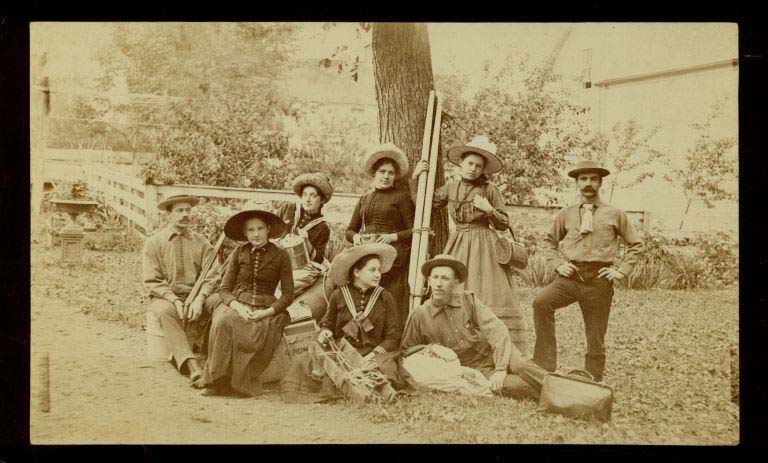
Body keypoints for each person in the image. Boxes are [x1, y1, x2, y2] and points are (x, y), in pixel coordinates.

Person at [412, 135, 527, 355]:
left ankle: (495, 349)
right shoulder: (451, 188)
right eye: (470, 163)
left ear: (483, 170)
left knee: (487, 294)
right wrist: (416, 178)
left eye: (478, 166)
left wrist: (488, 209)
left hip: (486, 247)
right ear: (461, 164)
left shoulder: (490, 190)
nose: (473, 169)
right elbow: (422, 204)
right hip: (459, 244)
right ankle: (456, 346)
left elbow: (503, 224)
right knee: (452, 289)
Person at [532, 160, 644, 382]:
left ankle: (593, 378)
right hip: (570, 275)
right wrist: (558, 264)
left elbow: (636, 244)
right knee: (541, 303)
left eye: (593, 179)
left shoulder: (615, 214)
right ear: (576, 184)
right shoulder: (566, 214)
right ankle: (544, 365)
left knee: (595, 333)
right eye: (583, 179)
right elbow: (549, 242)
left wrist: (620, 272)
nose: (588, 184)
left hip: (599, 279)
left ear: (600, 183)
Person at [401, 254, 548, 398]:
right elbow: (406, 351)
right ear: (428, 281)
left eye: (445, 278)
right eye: (435, 277)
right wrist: (431, 349)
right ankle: (557, 395)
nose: (439, 283)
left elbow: (496, 329)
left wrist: (501, 368)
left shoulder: (468, 300)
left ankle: (568, 392)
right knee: (516, 386)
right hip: (474, 368)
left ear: (455, 282)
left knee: (523, 367)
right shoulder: (419, 315)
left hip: (495, 350)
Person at [195, 209, 294, 397]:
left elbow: (288, 295)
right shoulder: (238, 252)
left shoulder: (281, 255)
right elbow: (224, 289)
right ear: (244, 233)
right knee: (224, 321)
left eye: (260, 229)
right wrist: (237, 306)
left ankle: (239, 383)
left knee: (256, 330)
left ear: (268, 230)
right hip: (238, 302)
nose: (256, 234)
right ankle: (216, 380)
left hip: (266, 307)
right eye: (250, 230)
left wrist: (266, 313)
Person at [142, 195, 221, 384]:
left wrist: (200, 298)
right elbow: (152, 280)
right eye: (179, 210)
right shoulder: (154, 242)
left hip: (197, 296)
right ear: (168, 214)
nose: (185, 214)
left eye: (188, 210)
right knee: (164, 311)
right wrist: (174, 300)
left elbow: (213, 273)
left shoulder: (201, 242)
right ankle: (190, 363)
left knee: (219, 302)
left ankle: (216, 359)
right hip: (167, 298)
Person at [346, 143, 415, 330]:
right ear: (374, 173)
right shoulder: (365, 198)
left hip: (393, 255)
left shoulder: (401, 197)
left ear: (395, 176)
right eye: (382, 171)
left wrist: (392, 237)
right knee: (350, 287)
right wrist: (356, 238)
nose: (386, 176)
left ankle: (376, 334)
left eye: (390, 173)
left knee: (376, 291)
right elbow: (350, 230)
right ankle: (355, 334)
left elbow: (413, 230)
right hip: (365, 251)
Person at [317, 243, 402, 359]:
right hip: (341, 354)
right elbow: (328, 324)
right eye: (372, 270)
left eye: (379, 270)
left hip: (374, 357)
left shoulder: (385, 297)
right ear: (357, 272)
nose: (378, 275)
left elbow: (392, 337)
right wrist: (325, 332)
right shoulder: (339, 295)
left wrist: (373, 355)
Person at [274, 172, 333, 294]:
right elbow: (269, 228)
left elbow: (318, 259)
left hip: (301, 267)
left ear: (321, 200)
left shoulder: (322, 227)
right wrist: (273, 241)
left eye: (313, 195)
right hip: (276, 257)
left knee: (290, 282)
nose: (307, 199)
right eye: (305, 194)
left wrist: (306, 241)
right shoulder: (288, 208)